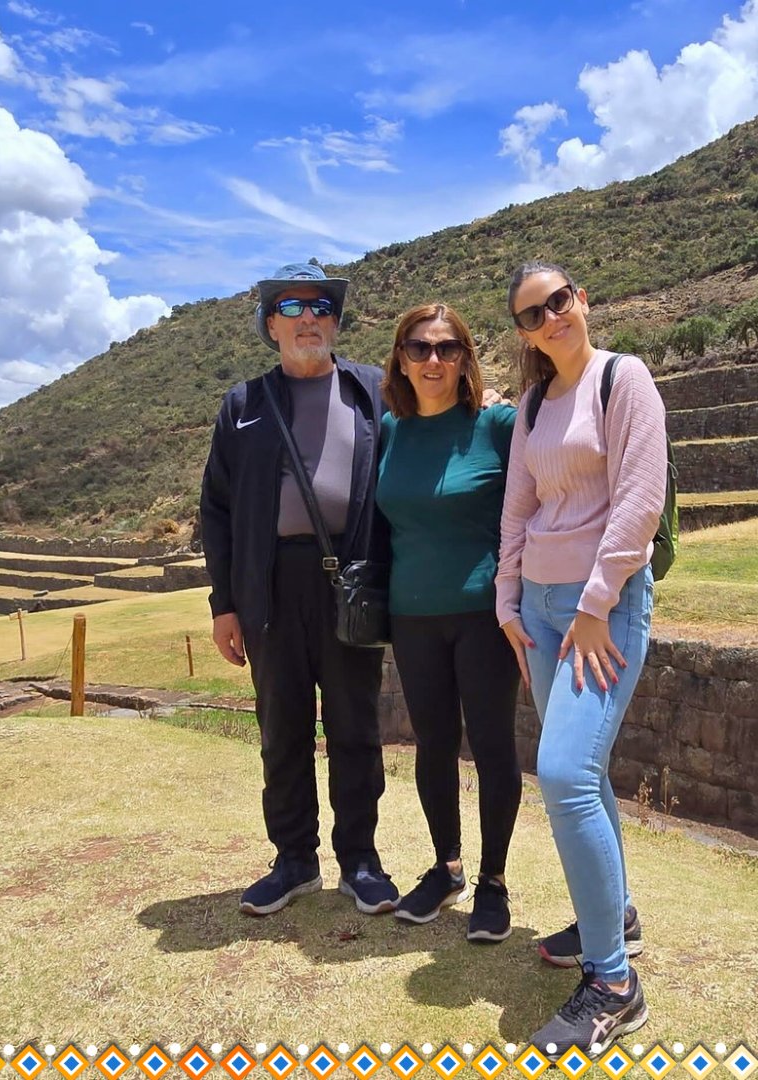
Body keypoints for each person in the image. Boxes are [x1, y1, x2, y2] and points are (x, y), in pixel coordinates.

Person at [496, 260, 667, 1056]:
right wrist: (507, 597)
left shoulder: (622, 380)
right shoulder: (534, 402)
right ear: (524, 332)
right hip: (538, 607)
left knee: (563, 774)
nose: (550, 319)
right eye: (533, 315)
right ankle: (617, 918)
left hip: (604, 611)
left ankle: (613, 984)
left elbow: (640, 497)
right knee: (587, 778)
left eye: (558, 302)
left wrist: (597, 603)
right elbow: (519, 508)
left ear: (582, 301)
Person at [199, 262, 399, 917]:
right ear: (271, 323)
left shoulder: (374, 390)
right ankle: (293, 860)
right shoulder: (243, 406)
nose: (309, 316)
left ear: (335, 322)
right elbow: (218, 510)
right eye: (292, 305)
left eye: (321, 306)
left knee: (356, 728)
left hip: (352, 580)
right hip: (270, 589)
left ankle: (361, 861)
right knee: (281, 728)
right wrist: (224, 603)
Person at [376, 303, 521, 943]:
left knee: (492, 747)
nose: (433, 360)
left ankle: (493, 882)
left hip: (484, 615)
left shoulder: (496, 423)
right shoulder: (388, 431)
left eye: (447, 348)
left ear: (465, 358)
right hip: (412, 616)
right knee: (432, 746)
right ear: (400, 361)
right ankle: (447, 866)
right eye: (418, 348)